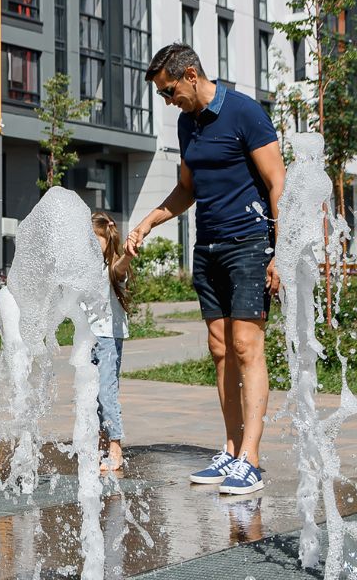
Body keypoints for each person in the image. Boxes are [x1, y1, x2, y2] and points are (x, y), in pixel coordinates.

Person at [125, 43, 285, 496]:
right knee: (219, 348)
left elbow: (278, 181)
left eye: (170, 90)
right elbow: (186, 190)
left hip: (250, 243)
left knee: (246, 345)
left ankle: (251, 459)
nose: (168, 100)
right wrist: (149, 221)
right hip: (208, 245)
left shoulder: (244, 112)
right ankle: (232, 450)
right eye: (162, 94)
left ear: (192, 75)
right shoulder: (186, 122)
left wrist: (282, 251)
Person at [89, 212, 130, 473]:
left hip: (107, 336)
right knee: (93, 395)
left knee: (107, 392)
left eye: (95, 241)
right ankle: (101, 444)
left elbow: (120, 269)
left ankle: (115, 445)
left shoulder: (112, 266)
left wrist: (129, 254)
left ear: (107, 239)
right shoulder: (85, 269)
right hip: (89, 338)